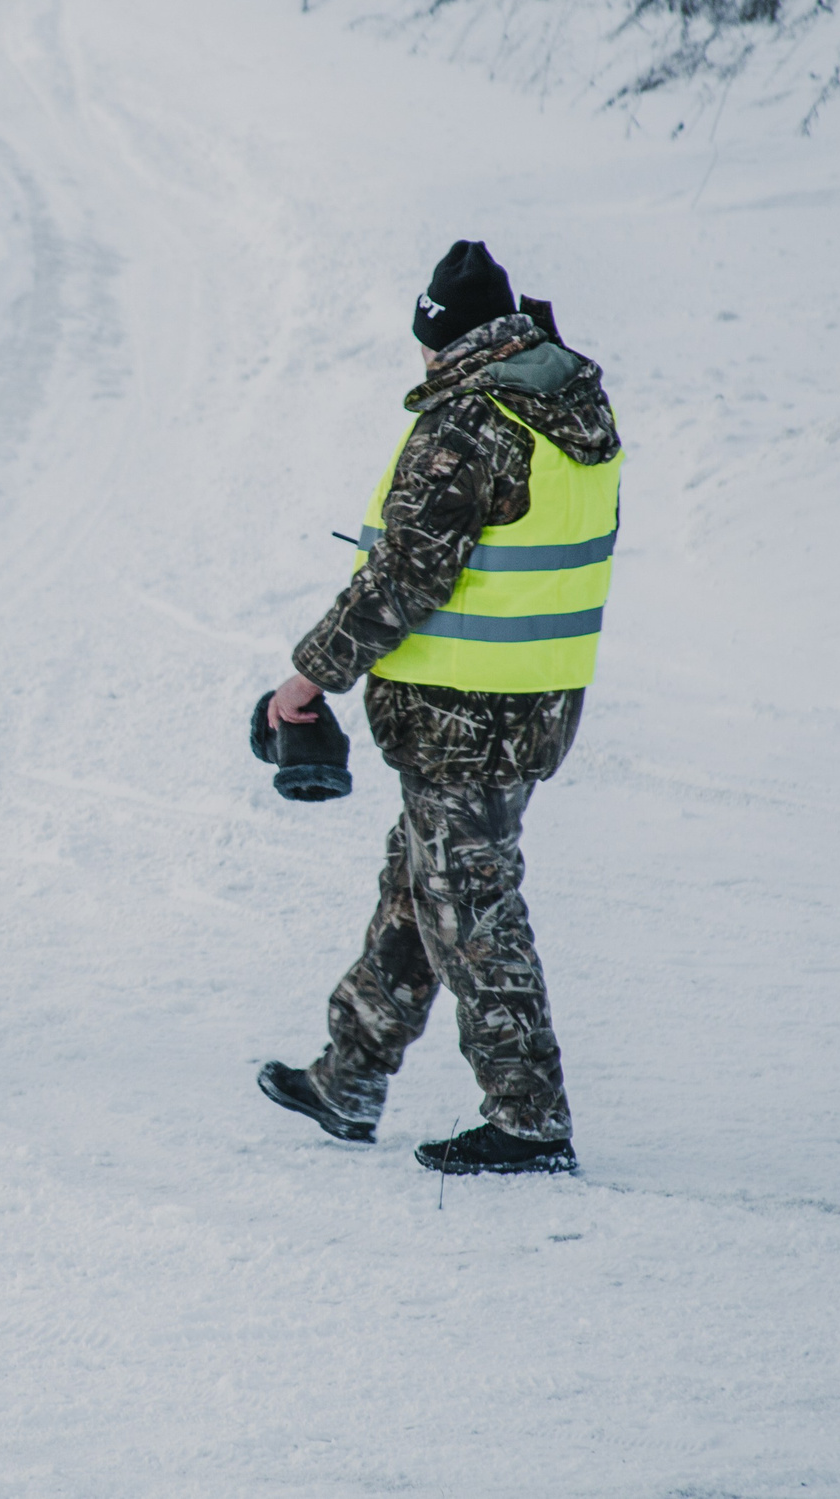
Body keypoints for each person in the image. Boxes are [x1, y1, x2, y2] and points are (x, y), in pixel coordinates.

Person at [255, 241, 622, 1176]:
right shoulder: (570, 405)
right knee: (422, 891)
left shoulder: (472, 422)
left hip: (463, 713)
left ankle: (530, 1117)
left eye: (426, 346)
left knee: (471, 909)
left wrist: (307, 679)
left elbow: (402, 578)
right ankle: (351, 1072)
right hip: (530, 706)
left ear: (446, 337)